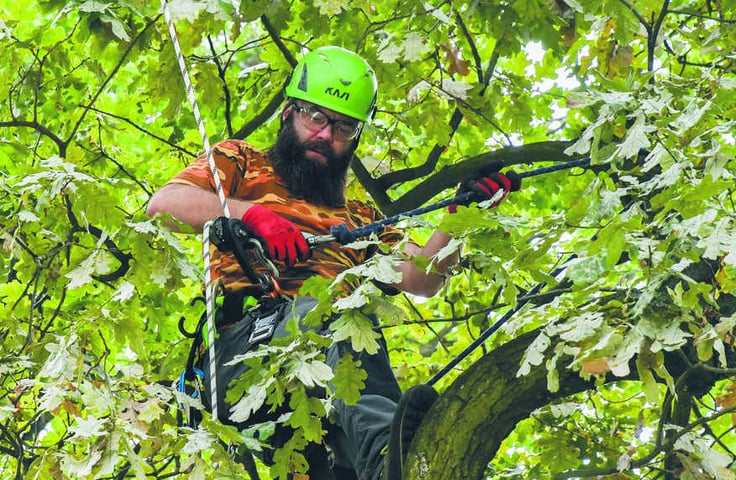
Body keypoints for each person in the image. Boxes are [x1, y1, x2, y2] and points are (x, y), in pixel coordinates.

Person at [147, 46, 518, 480]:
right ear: (289, 113)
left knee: (347, 341)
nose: (326, 134)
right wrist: (251, 215)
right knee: (331, 315)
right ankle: (385, 457)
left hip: (323, 393)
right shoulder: (241, 164)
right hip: (244, 358)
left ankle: (391, 461)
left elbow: (422, 276)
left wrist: (461, 216)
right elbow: (164, 206)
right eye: (316, 117)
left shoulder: (360, 220)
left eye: (343, 126)